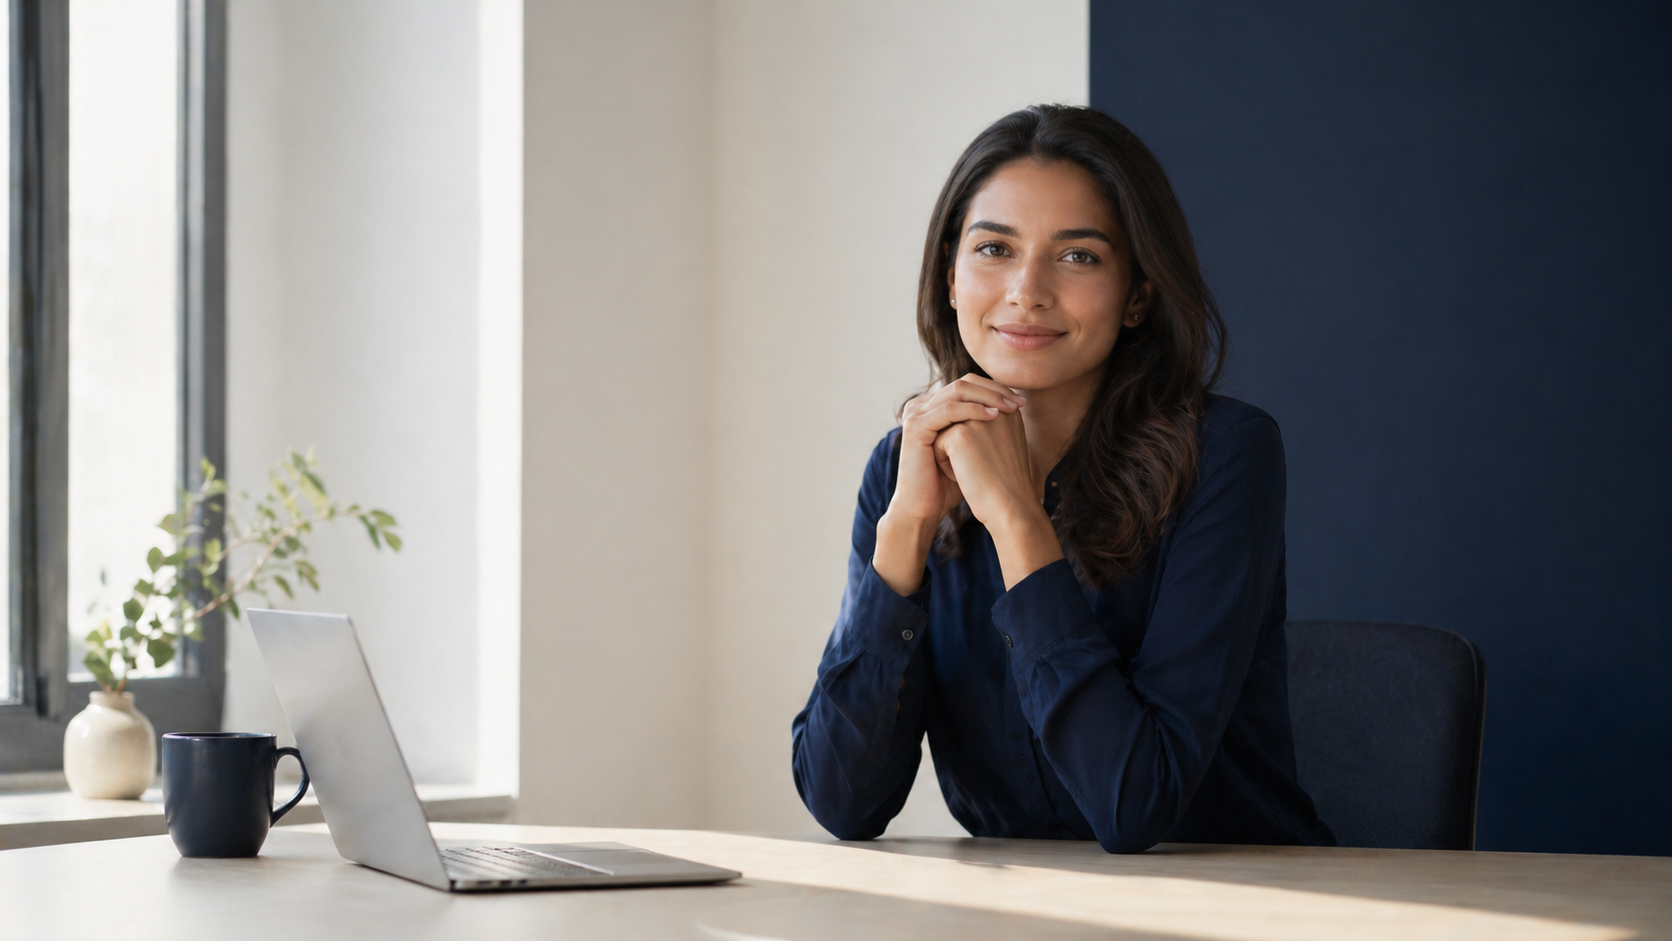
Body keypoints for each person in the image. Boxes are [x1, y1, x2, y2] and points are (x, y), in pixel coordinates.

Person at [790, 105, 1334, 853]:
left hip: (1236, 905)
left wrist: (1017, 521)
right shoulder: (905, 464)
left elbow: (1136, 804)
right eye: (993, 249)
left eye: (1077, 256)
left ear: (1138, 293)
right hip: (1025, 914)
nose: (1026, 290)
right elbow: (841, 800)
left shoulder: (1227, 453)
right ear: (950, 275)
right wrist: (906, 529)